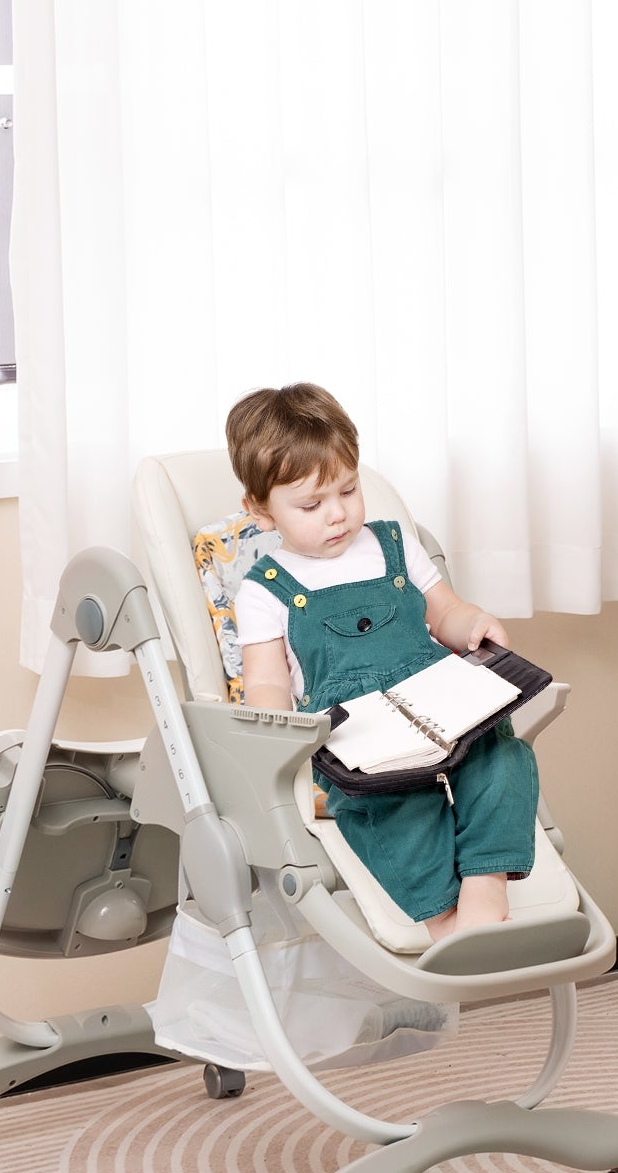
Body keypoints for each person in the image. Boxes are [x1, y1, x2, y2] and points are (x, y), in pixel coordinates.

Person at [227, 382, 538, 941]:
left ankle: (487, 881)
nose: (338, 515)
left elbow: (444, 613)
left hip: (441, 706)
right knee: (390, 815)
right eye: (311, 504)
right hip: (363, 739)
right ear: (260, 511)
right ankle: (448, 923)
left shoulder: (396, 545)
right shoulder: (264, 590)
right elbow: (267, 681)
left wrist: (473, 624)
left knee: (504, 758)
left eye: (348, 491)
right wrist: (276, 737)